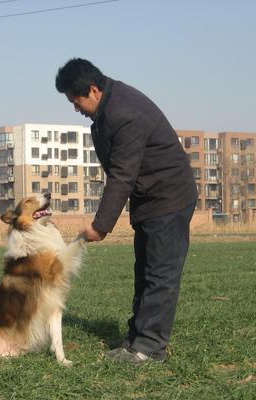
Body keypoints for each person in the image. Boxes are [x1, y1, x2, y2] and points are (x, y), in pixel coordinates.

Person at [55, 58, 198, 364]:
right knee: (144, 271)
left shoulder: (124, 113)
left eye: (76, 100)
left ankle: (150, 348)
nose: (76, 108)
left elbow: (122, 174)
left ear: (93, 90)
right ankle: (136, 340)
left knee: (159, 274)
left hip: (169, 197)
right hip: (150, 198)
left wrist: (100, 225)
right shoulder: (109, 108)